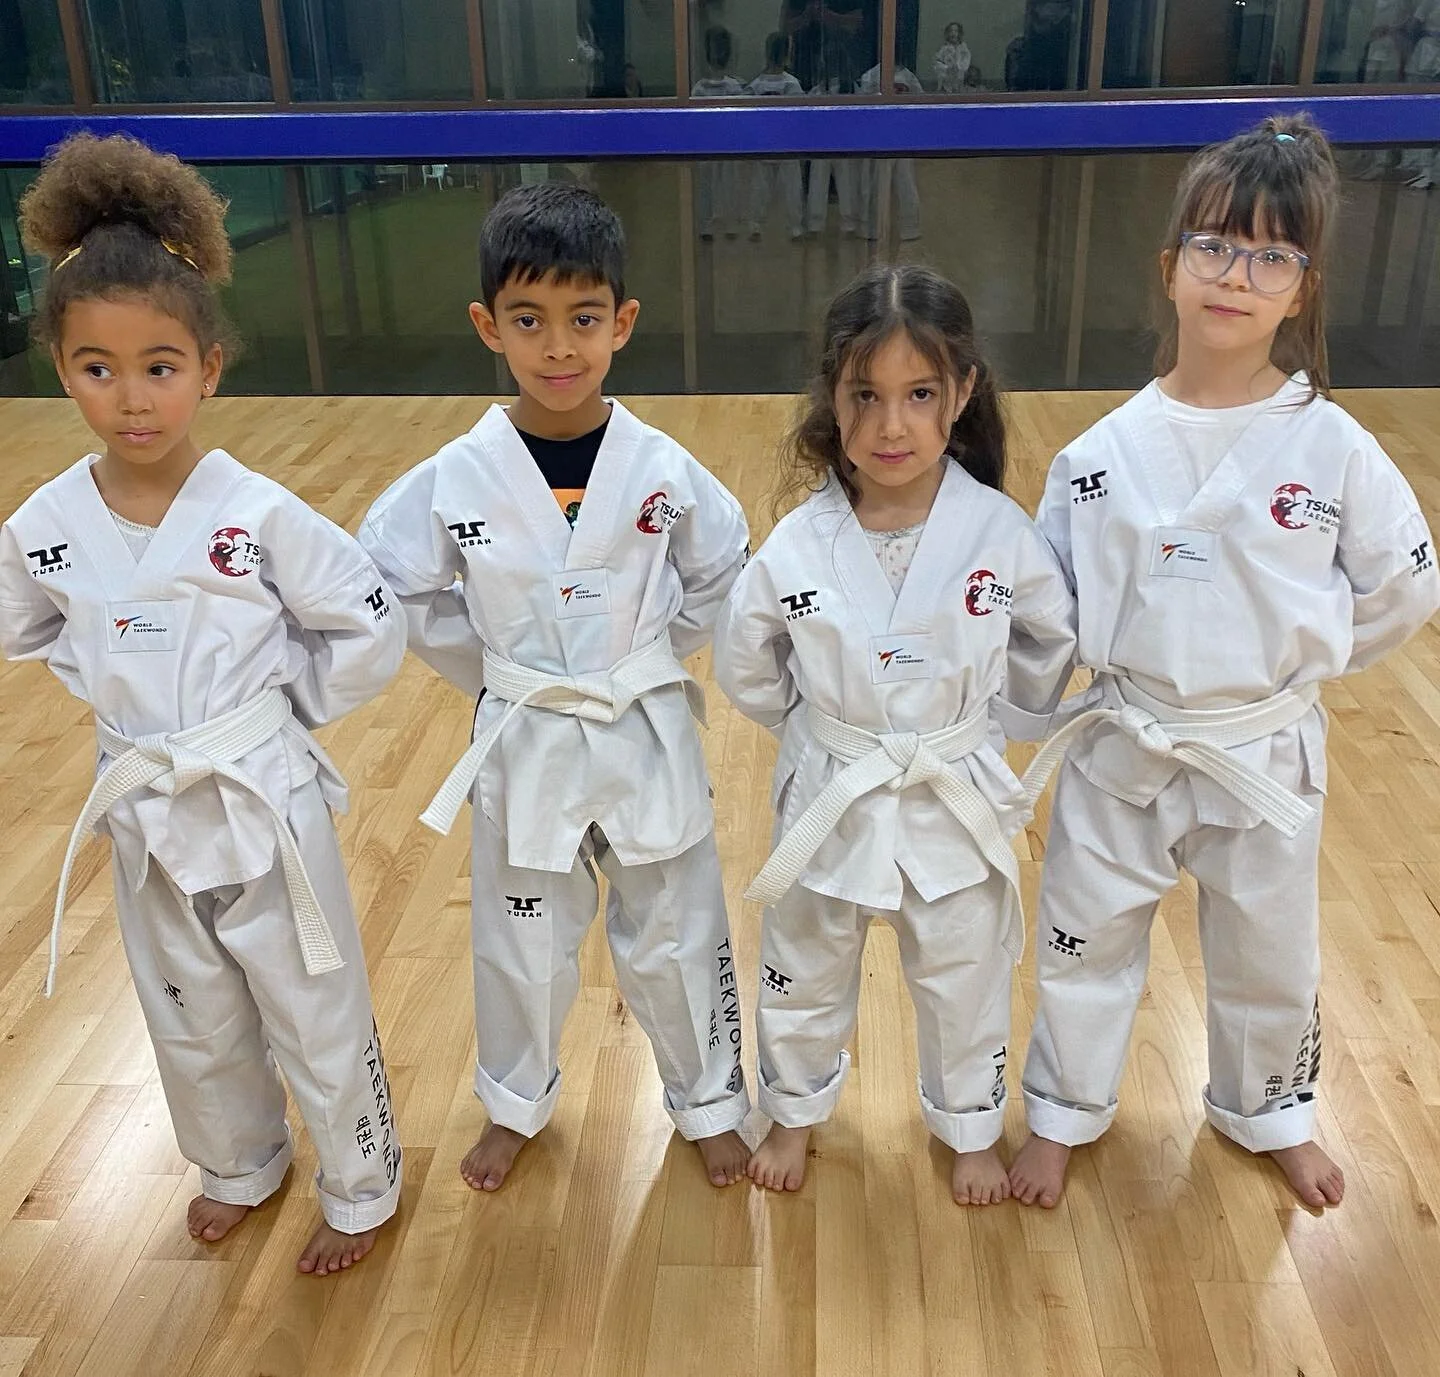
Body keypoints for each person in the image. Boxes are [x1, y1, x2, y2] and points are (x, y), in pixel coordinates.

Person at [1009, 116, 1440, 1212]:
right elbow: (1049, 610)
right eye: (1214, 246)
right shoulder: (1096, 456)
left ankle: (1271, 1113)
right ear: (1170, 269)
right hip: (1129, 741)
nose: (1236, 276)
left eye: (1270, 256)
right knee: (1085, 935)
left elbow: (1402, 584)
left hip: (1261, 745)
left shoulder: (1333, 446)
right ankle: (1063, 1110)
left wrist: (1305, 660)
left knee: (1269, 953)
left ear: (1302, 288)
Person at [0, 133, 406, 1274]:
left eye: (160, 365)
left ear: (210, 367)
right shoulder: (45, 524)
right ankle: (239, 1163)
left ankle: (362, 1184)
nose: (131, 397)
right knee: (187, 1007)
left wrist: (285, 710)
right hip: (140, 803)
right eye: (97, 367)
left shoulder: (256, 512)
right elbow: (23, 623)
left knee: (309, 1000)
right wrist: (109, 690)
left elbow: (369, 622)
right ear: (62, 367)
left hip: (257, 795)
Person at [358, 183, 753, 1192]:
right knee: (519, 942)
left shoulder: (661, 465)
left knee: (677, 928)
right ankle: (516, 1107)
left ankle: (709, 1103)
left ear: (622, 322)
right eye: (529, 321)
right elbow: (393, 581)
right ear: (490, 326)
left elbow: (724, 567)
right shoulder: (458, 473)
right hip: (527, 728)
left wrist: (655, 651)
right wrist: (491, 669)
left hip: (642, 724)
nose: (559, 347)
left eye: (584, 319)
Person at [713, 264, 1076, 1202]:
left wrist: (987, 723)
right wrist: (818, 729)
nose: (891, 426)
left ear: (962, 394)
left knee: (965, 974)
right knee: (803, 967)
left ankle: (967, 1128)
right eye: (864, 396)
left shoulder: (998, 532)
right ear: (831, 401)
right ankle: (793, 1114)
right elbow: (748, 663)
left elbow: (1049, 641)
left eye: (920, 394)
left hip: (952, 791)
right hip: (834, 790)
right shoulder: (797, 543)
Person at [745, 33, 806, 241]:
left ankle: (755, 225)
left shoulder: (755, 86)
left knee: (759, 190)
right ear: (787, 54)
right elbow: (799, 119)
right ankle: (795, 227)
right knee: (792, 190)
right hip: (785, 145)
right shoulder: (793, 85)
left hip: (765, 145)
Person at [691, 27, 746, 241]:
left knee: (727, 183)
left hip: (727, 143)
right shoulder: (699, 89)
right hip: (708, 144)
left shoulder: (734, 87)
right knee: (708, 186)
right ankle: (708, 225)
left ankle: (727, 223)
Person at [857, 60, 922, 241]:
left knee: (906, 182)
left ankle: (910, 228)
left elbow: (920, 102)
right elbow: (863, 108)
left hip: (902, 137)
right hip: (879, 138)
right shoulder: (870, 76)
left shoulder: (908, 76)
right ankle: (869, 228)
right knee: (876, 184)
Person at [934, 21, 972, 93]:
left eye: (956, 31)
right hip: (945, 84)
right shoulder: (943, 49)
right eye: (951, 31)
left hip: (959, 83)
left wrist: (958, 67)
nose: (953, 34)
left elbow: (965, 64)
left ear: (959, 33)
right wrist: (946, 68)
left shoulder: (964, 49)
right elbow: (937, 63)